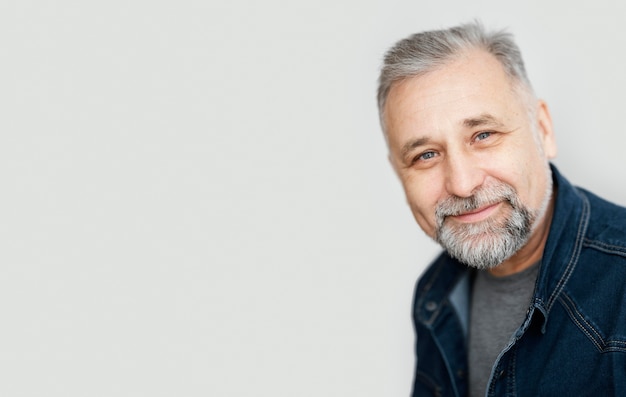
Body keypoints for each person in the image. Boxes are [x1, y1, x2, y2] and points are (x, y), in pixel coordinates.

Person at [376, 22, 626, 397]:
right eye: (426, 155)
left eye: (483, 135)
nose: (462, 183)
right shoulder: (437, 293)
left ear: (543, 130)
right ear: (399, 172)